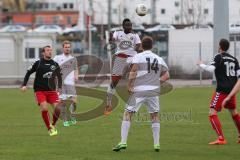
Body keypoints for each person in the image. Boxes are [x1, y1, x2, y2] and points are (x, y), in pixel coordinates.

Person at [112, 36, 169, 152]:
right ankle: (156, 144)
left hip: (139, 90)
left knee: (127, 114)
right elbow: (167, 75)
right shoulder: (158, 58)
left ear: (141, 46)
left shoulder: (138, 57)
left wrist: (129, 85)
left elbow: (133, 71)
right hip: (153, 91)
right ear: (152, 46)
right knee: (154, 115)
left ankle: (123, 142)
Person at [197, 38, 240, 144]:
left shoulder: (218, 56)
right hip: (232, 90)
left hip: (222, 90)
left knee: (212, 113)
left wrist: (201, 64)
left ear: (220, 46)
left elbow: (211, 69)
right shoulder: (234, 59)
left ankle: (221, 138)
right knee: (234, 113)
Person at [21, 45, 62, 136]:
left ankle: (53, 125)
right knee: (44, 107)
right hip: (40, 90)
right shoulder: (38, 63)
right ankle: (49, 128)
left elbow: (59, 76)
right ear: (43, 52)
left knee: (58, 109)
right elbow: (28, 73)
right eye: (48, 50)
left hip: (52, 91)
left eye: (51, 50)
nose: (50, 52)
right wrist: (24, 85)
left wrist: (59, 87)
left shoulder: (55, 64)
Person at [104, 18, 141, 115]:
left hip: (132, 57)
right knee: (114, 82)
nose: (129, 27)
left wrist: (136, 48)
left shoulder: (135, 35)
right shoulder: (118, 33)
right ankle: (108, 104)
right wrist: (111, 38)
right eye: (127, 25)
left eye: (130, 25)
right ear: (123, 26)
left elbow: (139, 45)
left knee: (138, 70)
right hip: (120, 57)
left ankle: (131, 88)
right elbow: (112, 40)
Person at [54, 40, 79, 127]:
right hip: (61, 84)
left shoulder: (73, 59)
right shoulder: (57, 58)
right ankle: (65, 120)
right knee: (63, 103)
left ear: (70, 48)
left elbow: (76, 69)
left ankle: (72, 115)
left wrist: (76, 76)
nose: (67, 49)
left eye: (68, 47)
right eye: (66, 47)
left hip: (71, 83)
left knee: (74, 101)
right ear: (63, 48)